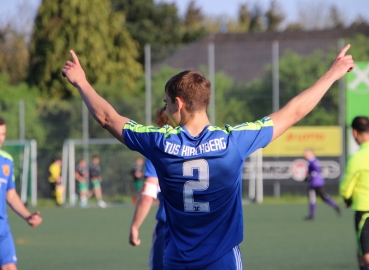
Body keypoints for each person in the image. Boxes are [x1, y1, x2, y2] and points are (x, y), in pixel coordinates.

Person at [62, 45, 354, 269]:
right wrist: (333, 73)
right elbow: (294, 112)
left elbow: (107, 118)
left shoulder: (160, 143)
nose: (165, 110)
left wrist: (82, 83)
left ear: (179, 103)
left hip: (176, 259)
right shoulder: (234, 140)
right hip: (222, 260)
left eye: (166, 104)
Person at [129, 107, 169, 270]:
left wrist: (134, 226)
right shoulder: (211, 143)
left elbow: (147, 196)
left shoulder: (159, 147)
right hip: (207, 229)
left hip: (170, 227)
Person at [0, 117, 42, 270]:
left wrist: (27, 216)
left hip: (2, 229)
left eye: (3, 134)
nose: (0, 139)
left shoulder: (6, 161)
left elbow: (10, 195)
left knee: (10, 267)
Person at [340, 116, 369, 270]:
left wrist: (347, 199)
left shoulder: (358, 157)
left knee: (365, 253)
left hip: (365, 210)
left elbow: (346, 187)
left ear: (355, 133)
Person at [303, 148, 341, 220]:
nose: (304, 155)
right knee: (322, 197)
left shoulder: (312, 161)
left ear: (310, 153)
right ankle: (335, 206)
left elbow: (316, 171)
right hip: (317, 182)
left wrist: (310, 176)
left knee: (316, 197)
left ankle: (312, 215)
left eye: (306, 153)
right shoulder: (313, 161)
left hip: (315, 183)